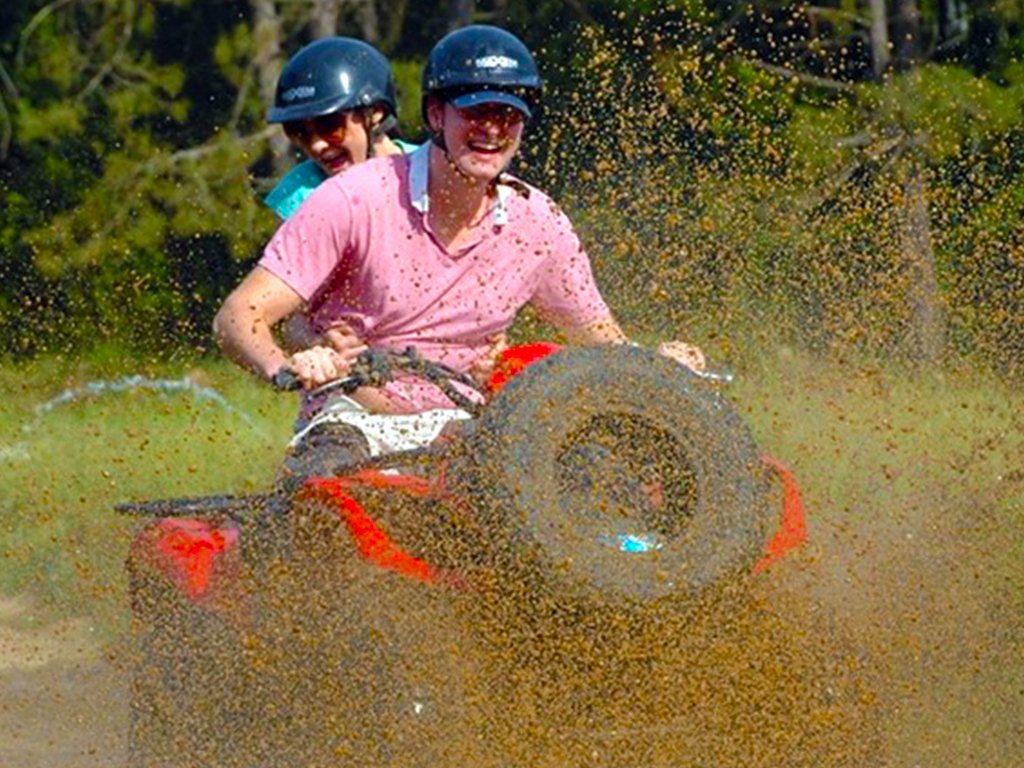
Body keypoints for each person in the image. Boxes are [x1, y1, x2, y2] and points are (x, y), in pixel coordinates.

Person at [214, 25, 704, 475]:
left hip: (472, 435)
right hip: (354, 423)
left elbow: (607, 347)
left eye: (506, 113)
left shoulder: (540, 224)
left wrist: (659, 364)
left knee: (593, 476)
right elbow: (239, 315)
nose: (491, 128)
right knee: (318, 501)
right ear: (435, 115)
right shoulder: (349, 198)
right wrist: (288, 365)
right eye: (475, 111)